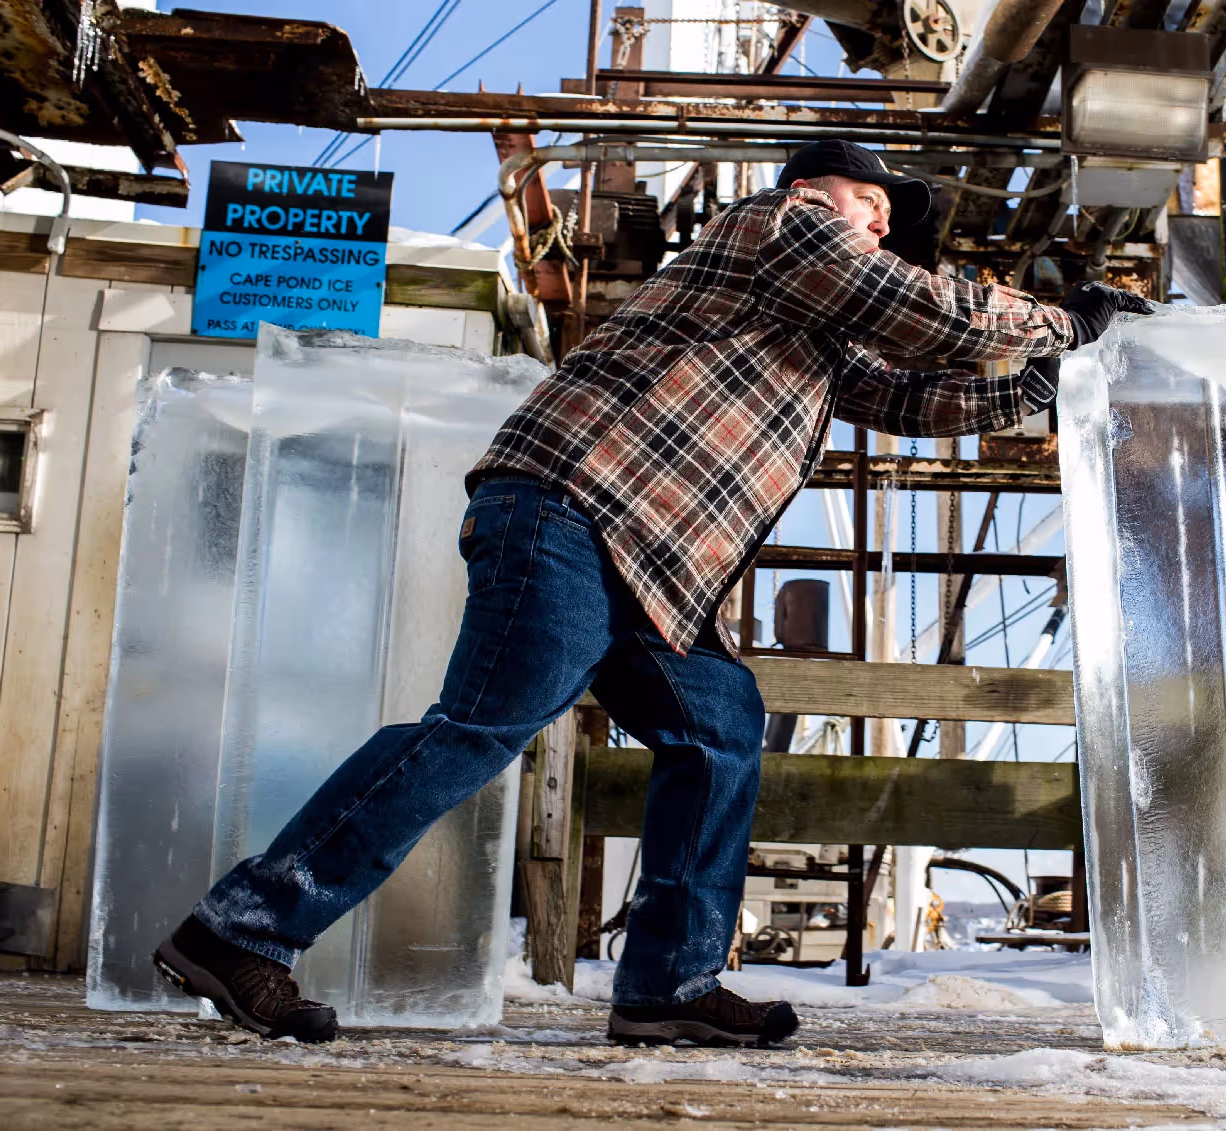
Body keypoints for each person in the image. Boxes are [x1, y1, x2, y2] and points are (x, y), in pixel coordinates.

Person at [151, 139, 1150, 1048]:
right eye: (869, 199)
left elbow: (910, 395)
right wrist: (1062, 318)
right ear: (812, 190)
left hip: (653, 563)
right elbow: (922, 315)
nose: (882, 220)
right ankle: (238, 929)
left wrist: (1052, 371)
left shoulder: (807, 329)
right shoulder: (779, 226)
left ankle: (667, 985)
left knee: (718, 723)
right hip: (577, 500)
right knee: (480, 727)